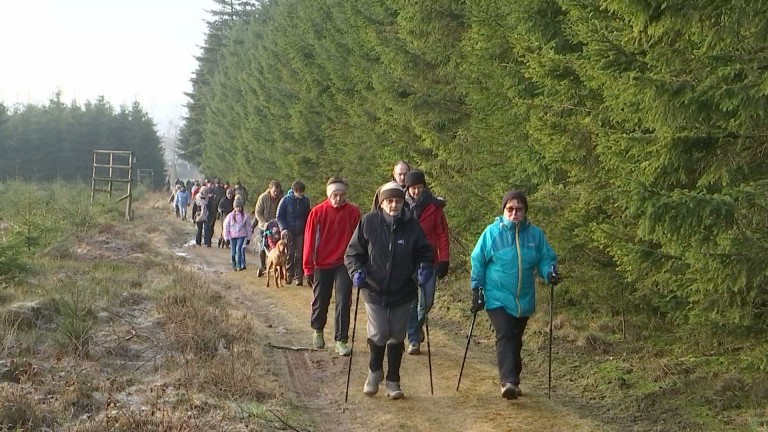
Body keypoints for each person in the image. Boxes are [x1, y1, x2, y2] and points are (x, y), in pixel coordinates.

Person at [345, 181, 434, 399]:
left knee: (396, 335)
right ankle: (374, 372)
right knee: (379, 332)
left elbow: (425, 253)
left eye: (398, 201)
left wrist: (423, 269)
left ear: (403, 203)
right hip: (373, 289)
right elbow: (353, 253)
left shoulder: (412, 226)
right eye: (389, 201)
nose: (394, 205)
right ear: (381, 203)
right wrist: (356, 271)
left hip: (403, 291)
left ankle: (393, 380)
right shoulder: (368, 222)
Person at [470, 190, 561, 400]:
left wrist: (550, 273)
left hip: (523, 299)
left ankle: (514, 380)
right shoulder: (492, 233)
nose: (514, 213)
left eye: (519, 209)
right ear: (503, 210)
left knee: (516, 338)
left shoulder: (535, 235)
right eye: (510, 209)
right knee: (506, 333)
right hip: (497, 295)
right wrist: (477, 289)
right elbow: (478, 260)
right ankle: (508, 382)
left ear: (525, 211)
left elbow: (546, 259)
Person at [303, 177, 361, 356]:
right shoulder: (317, 212)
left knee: (344, 301)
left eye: (342, 195)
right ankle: (318, 329)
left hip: (344, 263)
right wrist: (308, 267)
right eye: (335, 195)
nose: (338, 198)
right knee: (321, 300)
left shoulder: (353, 212)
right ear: (329, 195)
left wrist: (360, 262)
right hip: (321, 263)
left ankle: (341, 340)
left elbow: (360, 239)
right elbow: (309, 241)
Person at [403, 171, 450, 355]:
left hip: (429, 260)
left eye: (420, 187)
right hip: (407, 261)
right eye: (413, 188)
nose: (417, 191)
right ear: (408, 188)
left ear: (424, 187)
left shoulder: (434, 206)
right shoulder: (401, 205)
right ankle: (413, 339)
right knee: (411, 301)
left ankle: (417, 326)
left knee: (427, 301)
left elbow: (442, 233)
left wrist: (444, 258)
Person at [276, 180, 311, 285]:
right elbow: (279, 216)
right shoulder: (285, 200)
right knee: (289, 253)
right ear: (294, 191)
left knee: (300, 254)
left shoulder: (305, 201)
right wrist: (283, 228)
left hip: (301, 231)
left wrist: (307, 229)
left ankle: (299, 276)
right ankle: (288, 274)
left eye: (302, 192)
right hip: (288, 232)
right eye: (299, 192)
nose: (300, 194)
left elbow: (308, 216)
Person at [255, 180, 284, 276]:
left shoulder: (281, 199)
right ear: (270, 189)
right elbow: (258, 212)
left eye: (278, 191)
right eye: (274, 191)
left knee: (277, 246)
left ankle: (280, 264)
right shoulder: (263, 198)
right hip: (264, 226)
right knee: (262, 247)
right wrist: (264, 223)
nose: (276, 193)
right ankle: (262, 266)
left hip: (276, 226)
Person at [222, 195, 252, 271]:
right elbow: (226, 227)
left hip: (241, 235)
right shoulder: (230, 216)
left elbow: (248, 227)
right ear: (234, 207)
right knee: (233, 252)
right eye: (237, 207)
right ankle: (233, 263)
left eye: (240, 207)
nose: (238, 208)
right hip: (232, 236)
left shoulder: (245, 216)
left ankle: (239, 265)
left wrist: (248, 237)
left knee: (239, 249)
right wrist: (226, 238)